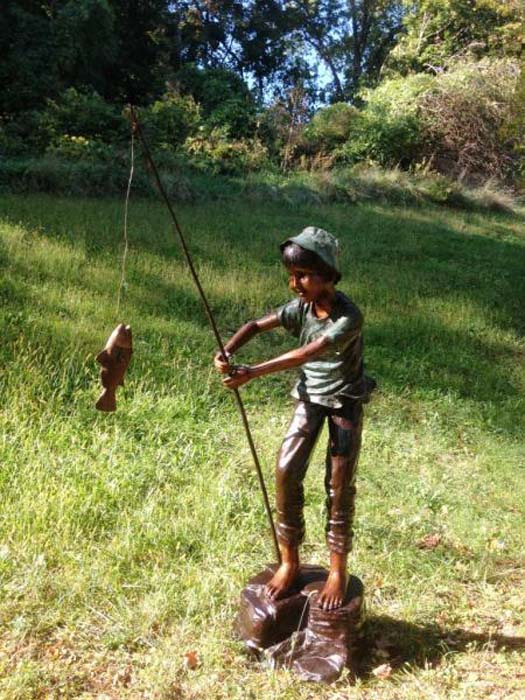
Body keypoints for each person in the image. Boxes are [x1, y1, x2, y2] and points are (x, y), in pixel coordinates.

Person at [214, 226, 372, 611]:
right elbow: (255, 325)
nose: (294, 283)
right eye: (291, 275)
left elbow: (308, 353)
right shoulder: (300, 308)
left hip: (343, 402)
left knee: (338, 485)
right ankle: (289, 561)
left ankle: (338, 570)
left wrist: (252, 372)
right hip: (309, 398)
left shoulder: (349, 317)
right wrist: (227, 349)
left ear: (327, 275)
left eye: (303, 275)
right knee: (285, 470)